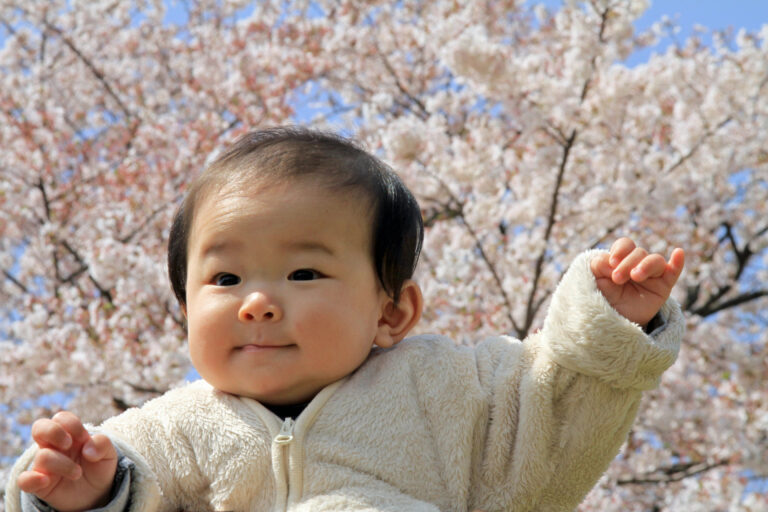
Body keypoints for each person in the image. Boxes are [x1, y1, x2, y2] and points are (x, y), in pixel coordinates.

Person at [6, 126, 686, 512]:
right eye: (224, 279)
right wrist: (85, 490)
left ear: (393, 312)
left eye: (305, 273)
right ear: (185, 312)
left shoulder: (448, 389)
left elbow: (550, 430)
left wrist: (603, 335)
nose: (258, 302)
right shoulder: (169, 430)